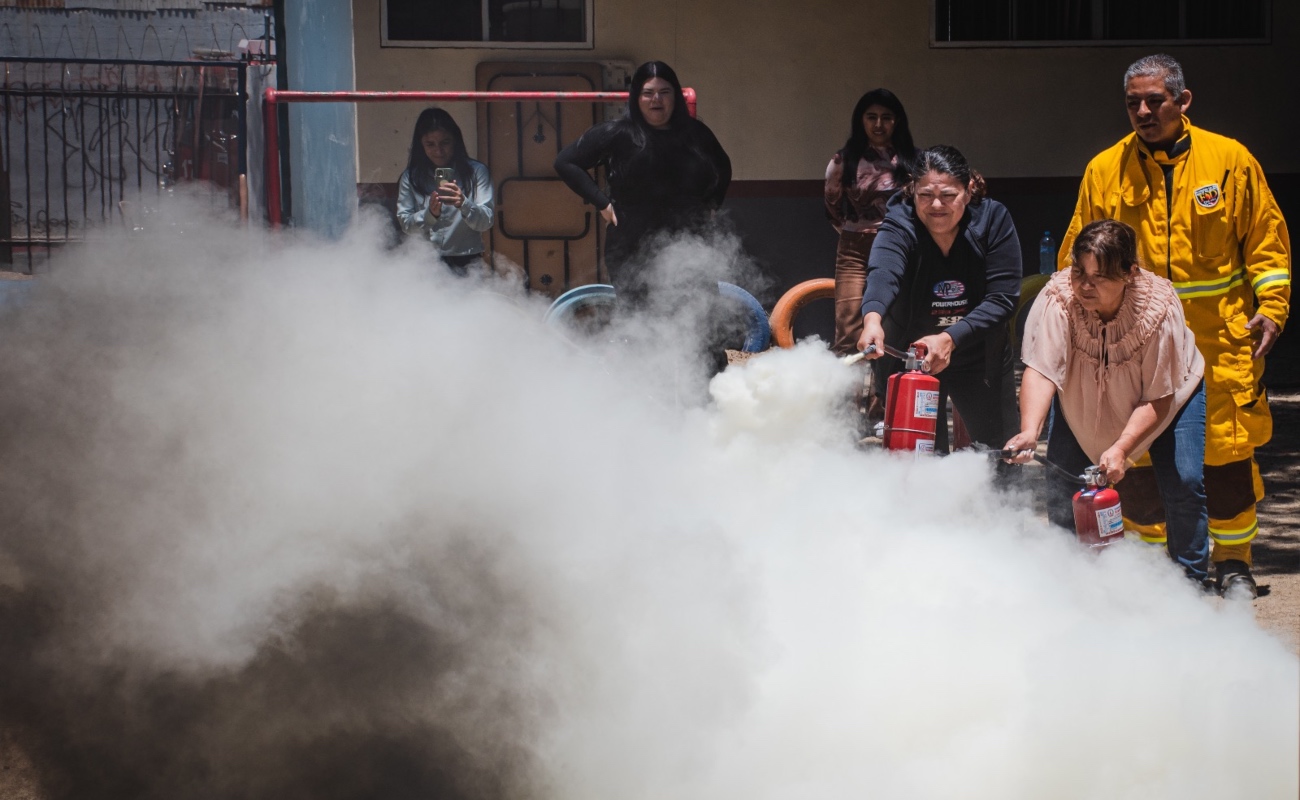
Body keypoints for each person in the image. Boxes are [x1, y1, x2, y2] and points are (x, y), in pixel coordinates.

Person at [1059, 54, 1291, 597]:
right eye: (1133, 102)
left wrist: (1273, 305)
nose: (1142, 111)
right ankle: (1150, 568)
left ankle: (1233, 563)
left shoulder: (1228, 160)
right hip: (1134, 342)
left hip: (1219, 339)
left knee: (1226, 457)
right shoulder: (1104, 170)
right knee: (1134, 457)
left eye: (1154, 100)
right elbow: (1078, 255)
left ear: (1182, 101)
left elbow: (1266, 242)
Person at [1005, 220, 1209, 583]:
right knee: (1061, 481)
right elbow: (1041, 369)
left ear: (1130, 273)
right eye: (1079, 271)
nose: (1084, 285)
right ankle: (1069, 581)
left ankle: (1190, 584)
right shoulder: (1057, 297)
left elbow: (1157, 398)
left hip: (1167, 398)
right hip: (1083, 394)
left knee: (1184, 481)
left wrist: (1122, 448)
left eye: (1099, 277)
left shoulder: (1159, 309)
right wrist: (1028, 431)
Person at [858, 145, 1020, 452]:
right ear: (913, 190)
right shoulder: (899, 222)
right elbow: (883, 272)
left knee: (998, 453)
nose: (936, 205)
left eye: (948, 195)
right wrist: (872, 318)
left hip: (977, 348)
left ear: (968, 190)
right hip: (910, 353)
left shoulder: (993, 220)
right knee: (915, 456)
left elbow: (1003, 298)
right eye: (925, 195)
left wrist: (949, 338)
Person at [553, 60, 731, 312]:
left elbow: (723, 166)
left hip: (688, 242)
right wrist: (602, 203)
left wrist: (713, 204)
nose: (656, 99)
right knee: (640, 317)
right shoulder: (617, 133)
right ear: (637, 97)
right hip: (631, 243)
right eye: (648, 93)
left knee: (697, 315)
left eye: (664, 92)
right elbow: (566, 162)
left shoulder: (696, 134)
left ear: (675, 97)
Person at [825, 88, 916, 357]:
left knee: (894, 327)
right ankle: (847, 400)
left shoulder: (915, 161)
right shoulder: (843, 161)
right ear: (860, 120)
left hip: (900, 249)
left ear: (897, 121)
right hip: (854, 249)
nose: (878, 124)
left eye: (886, 117)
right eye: (871, 117)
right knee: (848, 327)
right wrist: (856, 230)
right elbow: (832, 209)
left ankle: (884, 400)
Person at [396, 107, 495, 275]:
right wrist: (429, 215)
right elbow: (406, 225)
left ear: (455, 141)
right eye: (430, 144)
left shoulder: (477, 172)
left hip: (468, 260)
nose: (438, 151)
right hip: (424, 261)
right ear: (421, 145)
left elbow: (486, 222)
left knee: (470, 302)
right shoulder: (410, 177)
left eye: (445, 143)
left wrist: (464, 204)